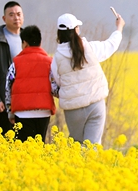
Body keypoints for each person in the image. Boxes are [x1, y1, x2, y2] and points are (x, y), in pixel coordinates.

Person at [51, 11, 125, 145]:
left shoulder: (56, 58)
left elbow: (58, 81)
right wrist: (119, 28)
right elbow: (111, 45)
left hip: (73, 109)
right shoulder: (90, 48)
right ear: (76, 30)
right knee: (93, 147)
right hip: (95, 104)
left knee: (77, 147)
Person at [5, 25, 55, 142]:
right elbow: (54, 86)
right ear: (40, 42)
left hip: (23, 113)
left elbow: (8, 86)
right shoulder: (50, 62)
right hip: (44, 111)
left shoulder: (15, 64)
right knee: (39, 145)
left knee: (25, 147)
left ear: (25, 43)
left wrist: (9, 111)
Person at [0, 1, 24, 134]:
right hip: (4, 98)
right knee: (6, 138)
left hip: (24, 97)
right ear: (4, 18)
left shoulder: (28, 37)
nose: (16, 18)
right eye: (11, 15)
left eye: (18, 14)